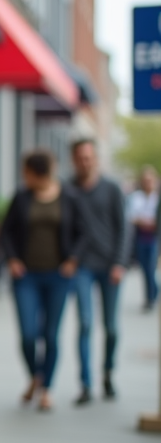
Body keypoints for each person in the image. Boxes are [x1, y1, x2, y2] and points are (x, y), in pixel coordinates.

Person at [0, 150, 88, 411]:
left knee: (50, 334)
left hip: (58, 276)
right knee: (28, 335)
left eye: (25, 172)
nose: (23, 177)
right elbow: (6, 232)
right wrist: (12, 259)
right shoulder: (22, 197)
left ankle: (46, 388)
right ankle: (36, 376)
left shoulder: (70, 197)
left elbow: (84, 233)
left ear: (36, 173)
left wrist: (73, 259)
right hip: (26, 276)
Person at [69, 139, 130, 403]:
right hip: (82, 266)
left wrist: (120, 263)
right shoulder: (68, 189)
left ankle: (108, 373)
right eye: (80, 158)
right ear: (74, 160)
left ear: (96, 159)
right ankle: (85, 383)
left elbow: (125, 229)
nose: (85, 162)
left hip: (110, 267)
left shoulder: (112, 189)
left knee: (111, 327)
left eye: (89, 157)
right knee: (84, 324)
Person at [126, 166, 159, 309]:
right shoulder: (136, 197)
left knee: (151, 269)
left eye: (150, 180)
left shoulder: (157, 198)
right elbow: (131, 216)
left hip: (154, 238)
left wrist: (150, 222)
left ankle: (150, 298)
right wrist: (143, 221)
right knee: (145, 269)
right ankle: (153, 292)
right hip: (140, 238)